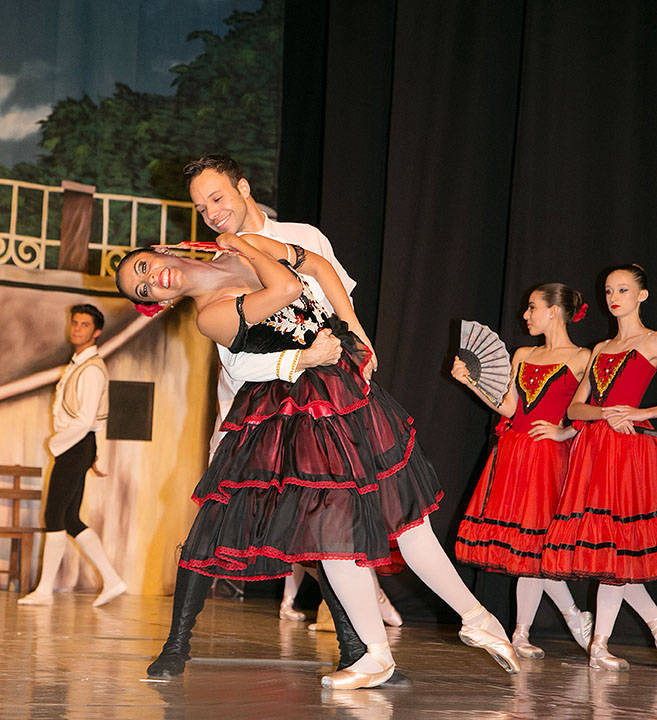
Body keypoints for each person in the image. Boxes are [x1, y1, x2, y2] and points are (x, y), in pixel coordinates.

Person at [116, 232, 519, 687]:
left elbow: (320, 269)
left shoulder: (243, 248)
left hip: (342, 387)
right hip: (297, 411)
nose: (153, 280)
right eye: (144, 289)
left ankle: (476, 618)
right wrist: (247, 249)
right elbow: (287, 289)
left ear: (160, 252)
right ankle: (376, 654)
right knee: (332, 535)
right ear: (162, 302)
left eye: (144, 268)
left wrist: (356, 331)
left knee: (405, 518)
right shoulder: (210, 314)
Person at [185, 155, 403, 641]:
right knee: (221, 524)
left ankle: (362, 637)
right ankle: (177, 645)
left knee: (328, 516)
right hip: (254, 413)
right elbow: (235, 362)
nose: (212, 213)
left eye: (217, 198)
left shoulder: (302, 237)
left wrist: (358, 342)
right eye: (201, 208)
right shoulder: (219, 268)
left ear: (243, 187)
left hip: (320, 404)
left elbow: (337, 305)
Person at [451, 284, 593, 658]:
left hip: (549, 458)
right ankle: (525, 632)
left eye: (532, 308)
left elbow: (592, 409)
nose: (526, 315)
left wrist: (564, 432)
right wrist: (471, 382)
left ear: (554, 311)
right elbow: (509, 407)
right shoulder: (524, 354)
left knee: (537, 546)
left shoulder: (582, 357)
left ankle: (561, 621)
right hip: (515, 453)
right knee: (527, 549)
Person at [542, 264, 657, 670]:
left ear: (642, 295)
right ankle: (603, 645)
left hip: (629, 451)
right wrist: (606, 412)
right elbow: (575, 408)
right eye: (609, 290)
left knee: (618, 547)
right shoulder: (601, 348)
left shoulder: (653, 341)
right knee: (609, 551)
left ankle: (602, 644)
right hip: (595, 449)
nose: (614, 297)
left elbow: (631, 408)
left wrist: (641, 412)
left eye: (623, 290)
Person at [18, 304, 127, 607]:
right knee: (69, 518)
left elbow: (86, 420)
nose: (77, 328)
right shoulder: (81, 364)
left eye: (84, 324)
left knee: (55, 515)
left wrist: (57, 444)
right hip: (77, 445)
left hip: (74, 445)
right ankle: (112, 580)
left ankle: (45, 590)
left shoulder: (91, 369)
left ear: (97, 332)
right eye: (75, 323)